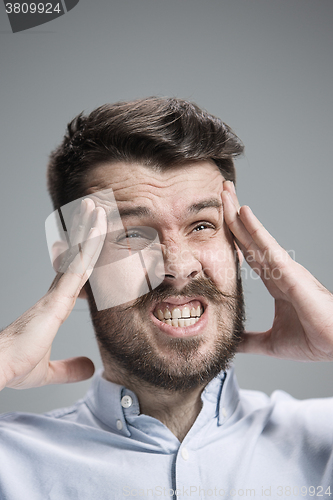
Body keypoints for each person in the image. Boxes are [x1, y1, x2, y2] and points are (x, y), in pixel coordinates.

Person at [0, 97, 332, 499]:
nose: (178, 266)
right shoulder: (10, 463)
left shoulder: (323, 440)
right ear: (75, 267)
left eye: (203, 225)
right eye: (133, 234)